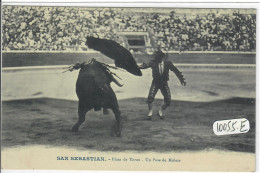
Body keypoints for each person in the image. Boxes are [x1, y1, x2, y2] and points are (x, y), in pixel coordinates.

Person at [139, 49, 186, 120]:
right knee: (150, 97)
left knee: (168, 100)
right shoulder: (153, 63)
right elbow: (145, 66)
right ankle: (150, 112)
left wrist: (181, 80)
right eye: (157, 58)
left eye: (159, 58)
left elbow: (176, 71)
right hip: (156, 82)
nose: (158, 59)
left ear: (163, 57)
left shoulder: (168, 63)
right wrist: (138, 67)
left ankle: (160, 111)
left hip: (164, 83)